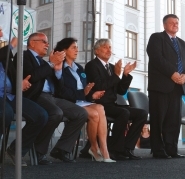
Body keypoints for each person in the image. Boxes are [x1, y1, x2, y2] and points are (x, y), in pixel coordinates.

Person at [15, 32, 88, 163]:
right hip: (35, 96)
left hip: (52, 96)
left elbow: (59, 88)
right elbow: (31, 77)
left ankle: (61, 149)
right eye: (44, 41)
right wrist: (50, 64)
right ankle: (39, 151)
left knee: (81, 113)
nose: (47, 45)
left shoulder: (44, 62)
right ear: (32, 43)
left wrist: (58, 71)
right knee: (56, 113)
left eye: (47, 42)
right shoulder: (23, 56)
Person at [85, 39, 147, 161]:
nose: (109, 50)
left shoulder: (113, 68)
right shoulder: (91, 65)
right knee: (124, 113)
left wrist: (125, 75)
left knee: (142, 113)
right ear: (97, 51)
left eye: (110, 47)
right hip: (99, 105)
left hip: (113, 104)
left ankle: (127, 148)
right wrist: (116, 75)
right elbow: (99, 86)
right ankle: (115, 150)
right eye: (105, 47)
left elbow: (121, 91)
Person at [54, 38, 115, 162]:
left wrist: (92, 95)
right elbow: (61, 92)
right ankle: (95, 147)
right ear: (64, 50)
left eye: (77, 47)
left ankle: (102, 148)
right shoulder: (60, 68)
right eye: (74, 47)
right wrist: (83, 93)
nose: (77, 50)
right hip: (68, 102)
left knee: (100, 107)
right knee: (94, 114)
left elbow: (85, 90)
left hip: (81, 101)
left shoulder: (79, 69)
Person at [146, 14, 185, 159]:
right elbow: (156, 58)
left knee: (173, 120)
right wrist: (172, 73)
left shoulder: (183, 44)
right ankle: (158, 150)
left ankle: (171, 148)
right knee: (158, 119)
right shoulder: (156, 38)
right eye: (172, 23)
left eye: (177, 23)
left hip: (178, 87)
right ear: (164, 25)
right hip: (160, 86)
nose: (175, 25)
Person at [0, 37, 48, 166]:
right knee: (6, 113)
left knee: (41, 115)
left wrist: (20, 84)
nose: (1, 33)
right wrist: (11, 45)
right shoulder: (9, 53)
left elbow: (13, 78)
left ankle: (16, 150)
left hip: (10, 96)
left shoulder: (5, 60)